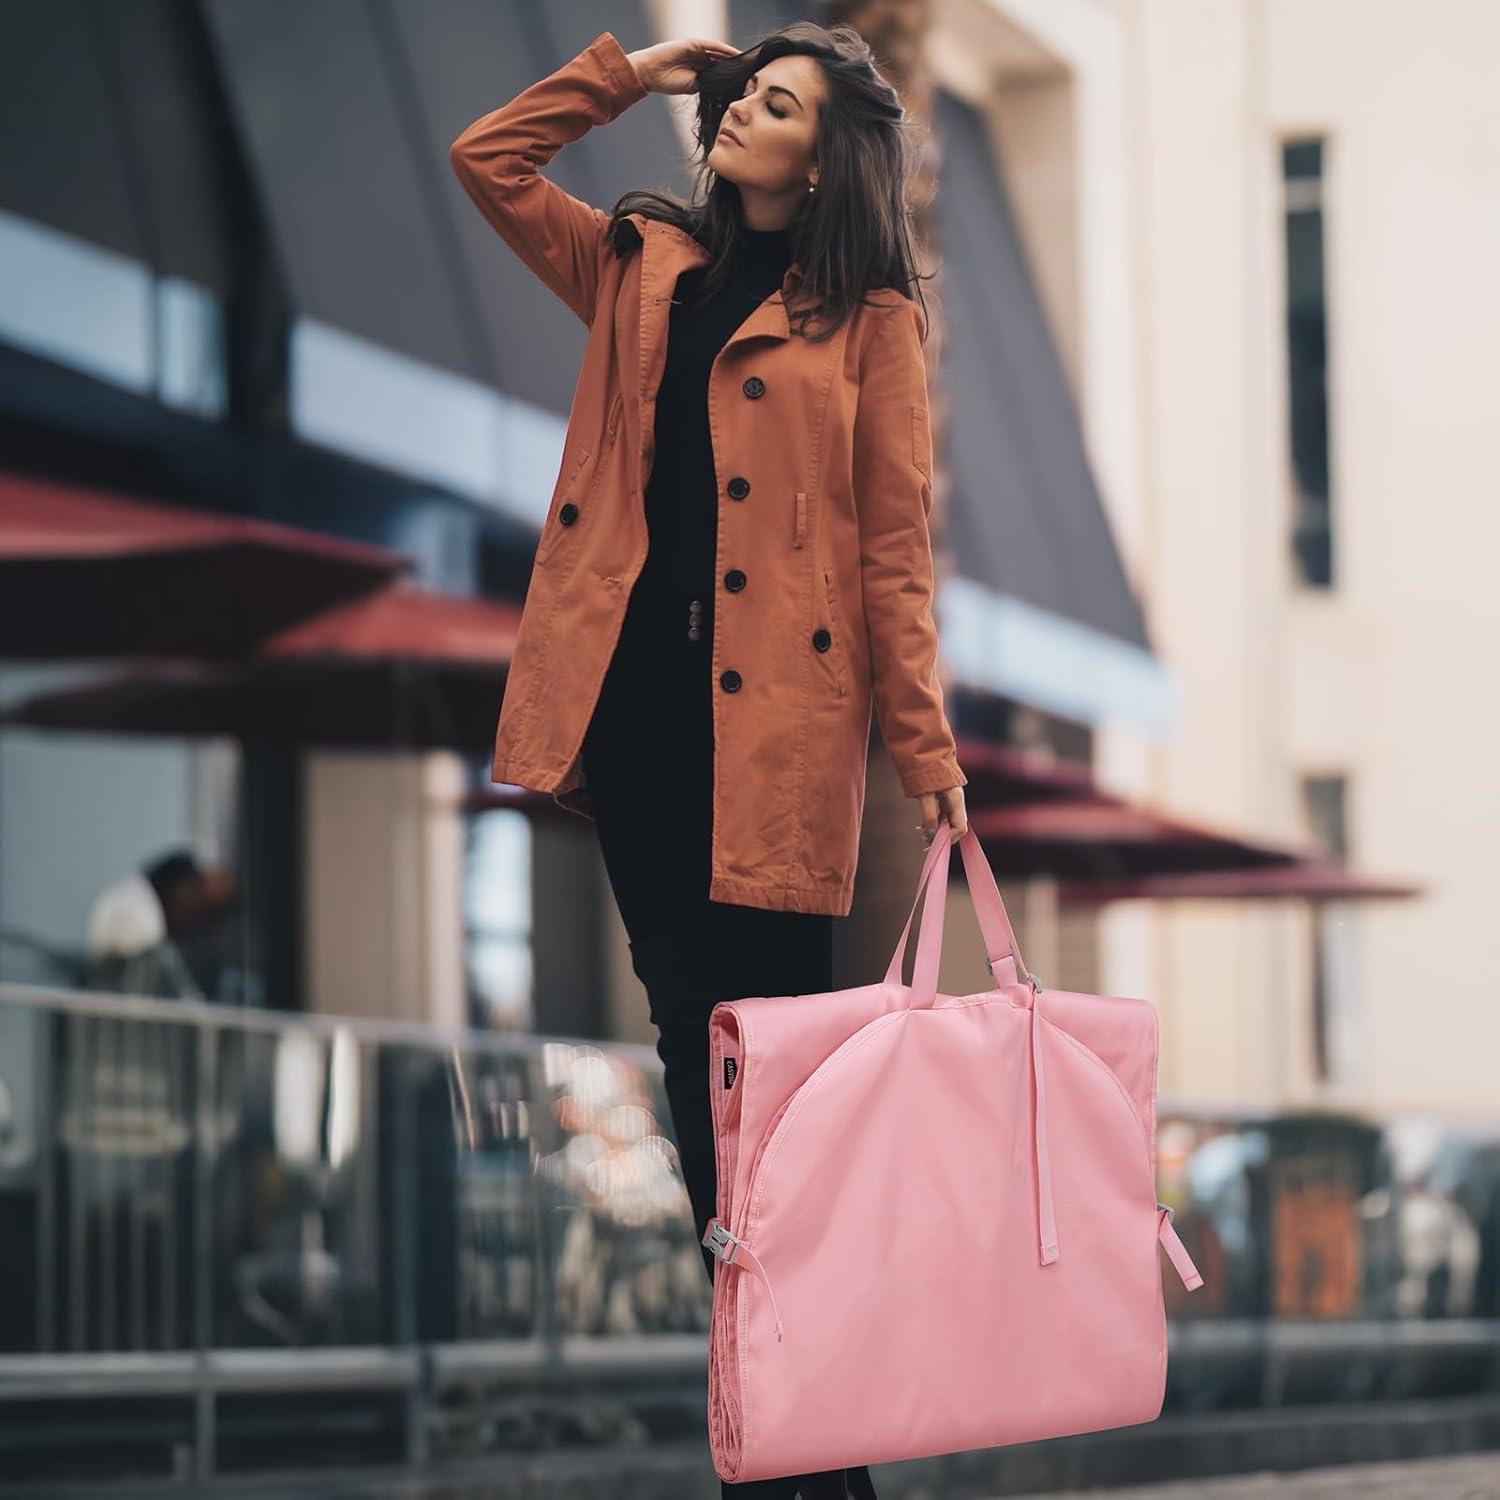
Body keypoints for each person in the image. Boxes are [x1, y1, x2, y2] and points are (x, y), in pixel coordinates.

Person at [453, 25, 970, 1498]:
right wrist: (635, 68)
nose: (747, 107)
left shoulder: (870, 320)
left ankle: (818, 1449)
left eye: (781, 101)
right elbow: (486, 161)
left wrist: (927, 752)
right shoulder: (638, 267)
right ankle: (780, 1429)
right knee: (699, 1065)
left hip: (785, 742)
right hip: (642, 722)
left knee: (783, 1084)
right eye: (747, 89)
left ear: (828, 155)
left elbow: (893, 560)